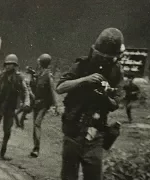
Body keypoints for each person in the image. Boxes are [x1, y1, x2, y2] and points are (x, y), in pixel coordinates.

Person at [56, 28, 124, 180]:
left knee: (93, 176)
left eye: (109, 58)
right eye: (101, 56)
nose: (104, 60)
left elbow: (116, 103)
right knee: (68, 176)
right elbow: (60, 87)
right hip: (73, 129)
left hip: (96, 134)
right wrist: (84, 80)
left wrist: (105, 96)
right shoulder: (82, 65)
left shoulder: (116, 72)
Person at [0, 54, 30, 160]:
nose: (8, 66)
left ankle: (2, 153)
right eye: (6, 64)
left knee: (7, 131)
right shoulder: (1, 77)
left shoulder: (19, 78)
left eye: (10, 64)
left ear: (15, 65)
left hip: (10, 109)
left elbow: (25, 91)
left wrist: (26, 102)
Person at [30, 53, 59, 158]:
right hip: (36, 103)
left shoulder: (48, 75)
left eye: (39, 62)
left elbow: (52, 91)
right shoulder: (39, 74)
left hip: (43, 104)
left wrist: (56, 106)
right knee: (35, 125)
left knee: (37, 123)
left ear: (41, 63)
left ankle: (37, 149)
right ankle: (35, 147)